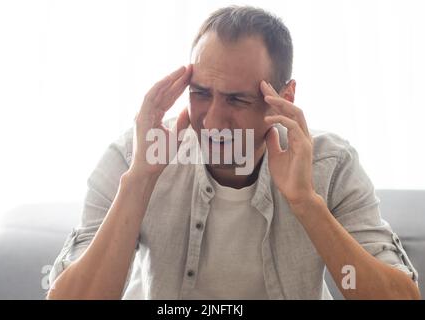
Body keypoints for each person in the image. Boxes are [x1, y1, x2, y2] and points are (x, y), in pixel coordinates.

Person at [46, 5, 419, 299]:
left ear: (282, 98)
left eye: (237, 99)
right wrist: (140, 181)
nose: (212, 122)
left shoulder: (329, 165)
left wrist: (306, 203)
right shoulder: (137, 155)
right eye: (201, 94)